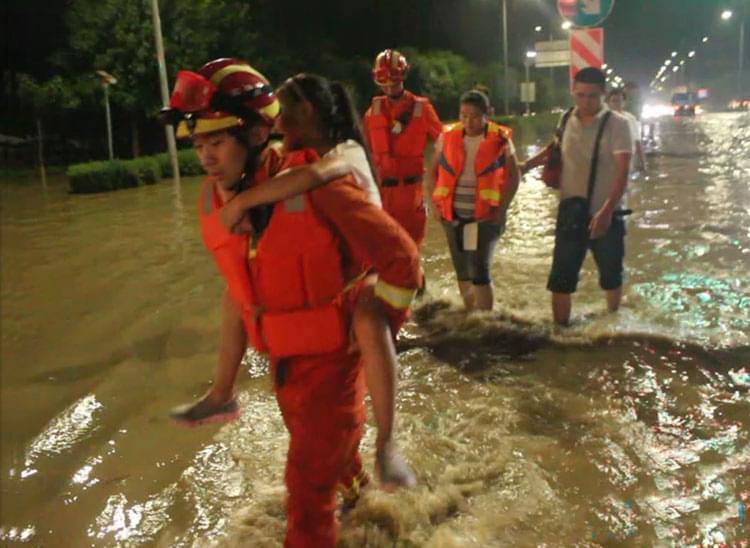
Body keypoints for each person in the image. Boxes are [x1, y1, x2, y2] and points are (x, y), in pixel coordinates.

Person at [163, 60, 421, 547]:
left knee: (305, 495)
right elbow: (238, 296)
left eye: (217, 142)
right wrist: (223, 387)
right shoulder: (218, 201)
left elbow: (404, 262)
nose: (206, 157)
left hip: (332, 372)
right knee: (332, 467)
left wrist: (373, 322)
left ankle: (369, 467)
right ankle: (364, 502)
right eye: (198, 144)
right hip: (284, 370)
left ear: (259, 132)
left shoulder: (322, 185)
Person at [521, 67, 634, 326]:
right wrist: (527, 164)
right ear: (573, 90)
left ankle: (613, 326)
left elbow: (623, 173)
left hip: (607, 214)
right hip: (571, 212)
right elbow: (555, 149)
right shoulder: (566, 119)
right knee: (560, 279)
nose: (585, 102)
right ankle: (560, 333)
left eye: (592, 96)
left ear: (603, 94)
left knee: (611, 276)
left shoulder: (618, 125)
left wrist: (606, 212)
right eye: (580, 95)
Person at [425, 90, 520, 310]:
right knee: (462, 269)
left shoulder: (501, 139)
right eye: (464, 115)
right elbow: (431, 174)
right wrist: (434, 207)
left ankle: (486, 318)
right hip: (453, 214)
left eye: (475, 116)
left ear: (487, 115)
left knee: (480, 270)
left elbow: (514, 177)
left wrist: (502, 209)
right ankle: (471, 315)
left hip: (487, 216)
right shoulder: (447, 136)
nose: (469, 121)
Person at [363, 49, 443, 248]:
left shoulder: (422, 109)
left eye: (394, 81)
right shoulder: (373, 111)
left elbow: (445, 144)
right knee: (379, 257)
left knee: (410, 253)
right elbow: (362, 151)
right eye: (385, 82)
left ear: (403, 77)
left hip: (410, 194)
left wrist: (439, 182)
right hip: (381, 194)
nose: (390, 87)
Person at [607, 88, 647, 175]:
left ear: (624, 103)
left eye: (620, 101)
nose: (617, 104)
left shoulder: (630, 119)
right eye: (614, 101)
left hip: (628, 160)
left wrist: (643, 163)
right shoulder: (603, 120)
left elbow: (637, 141)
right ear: (609, 103)